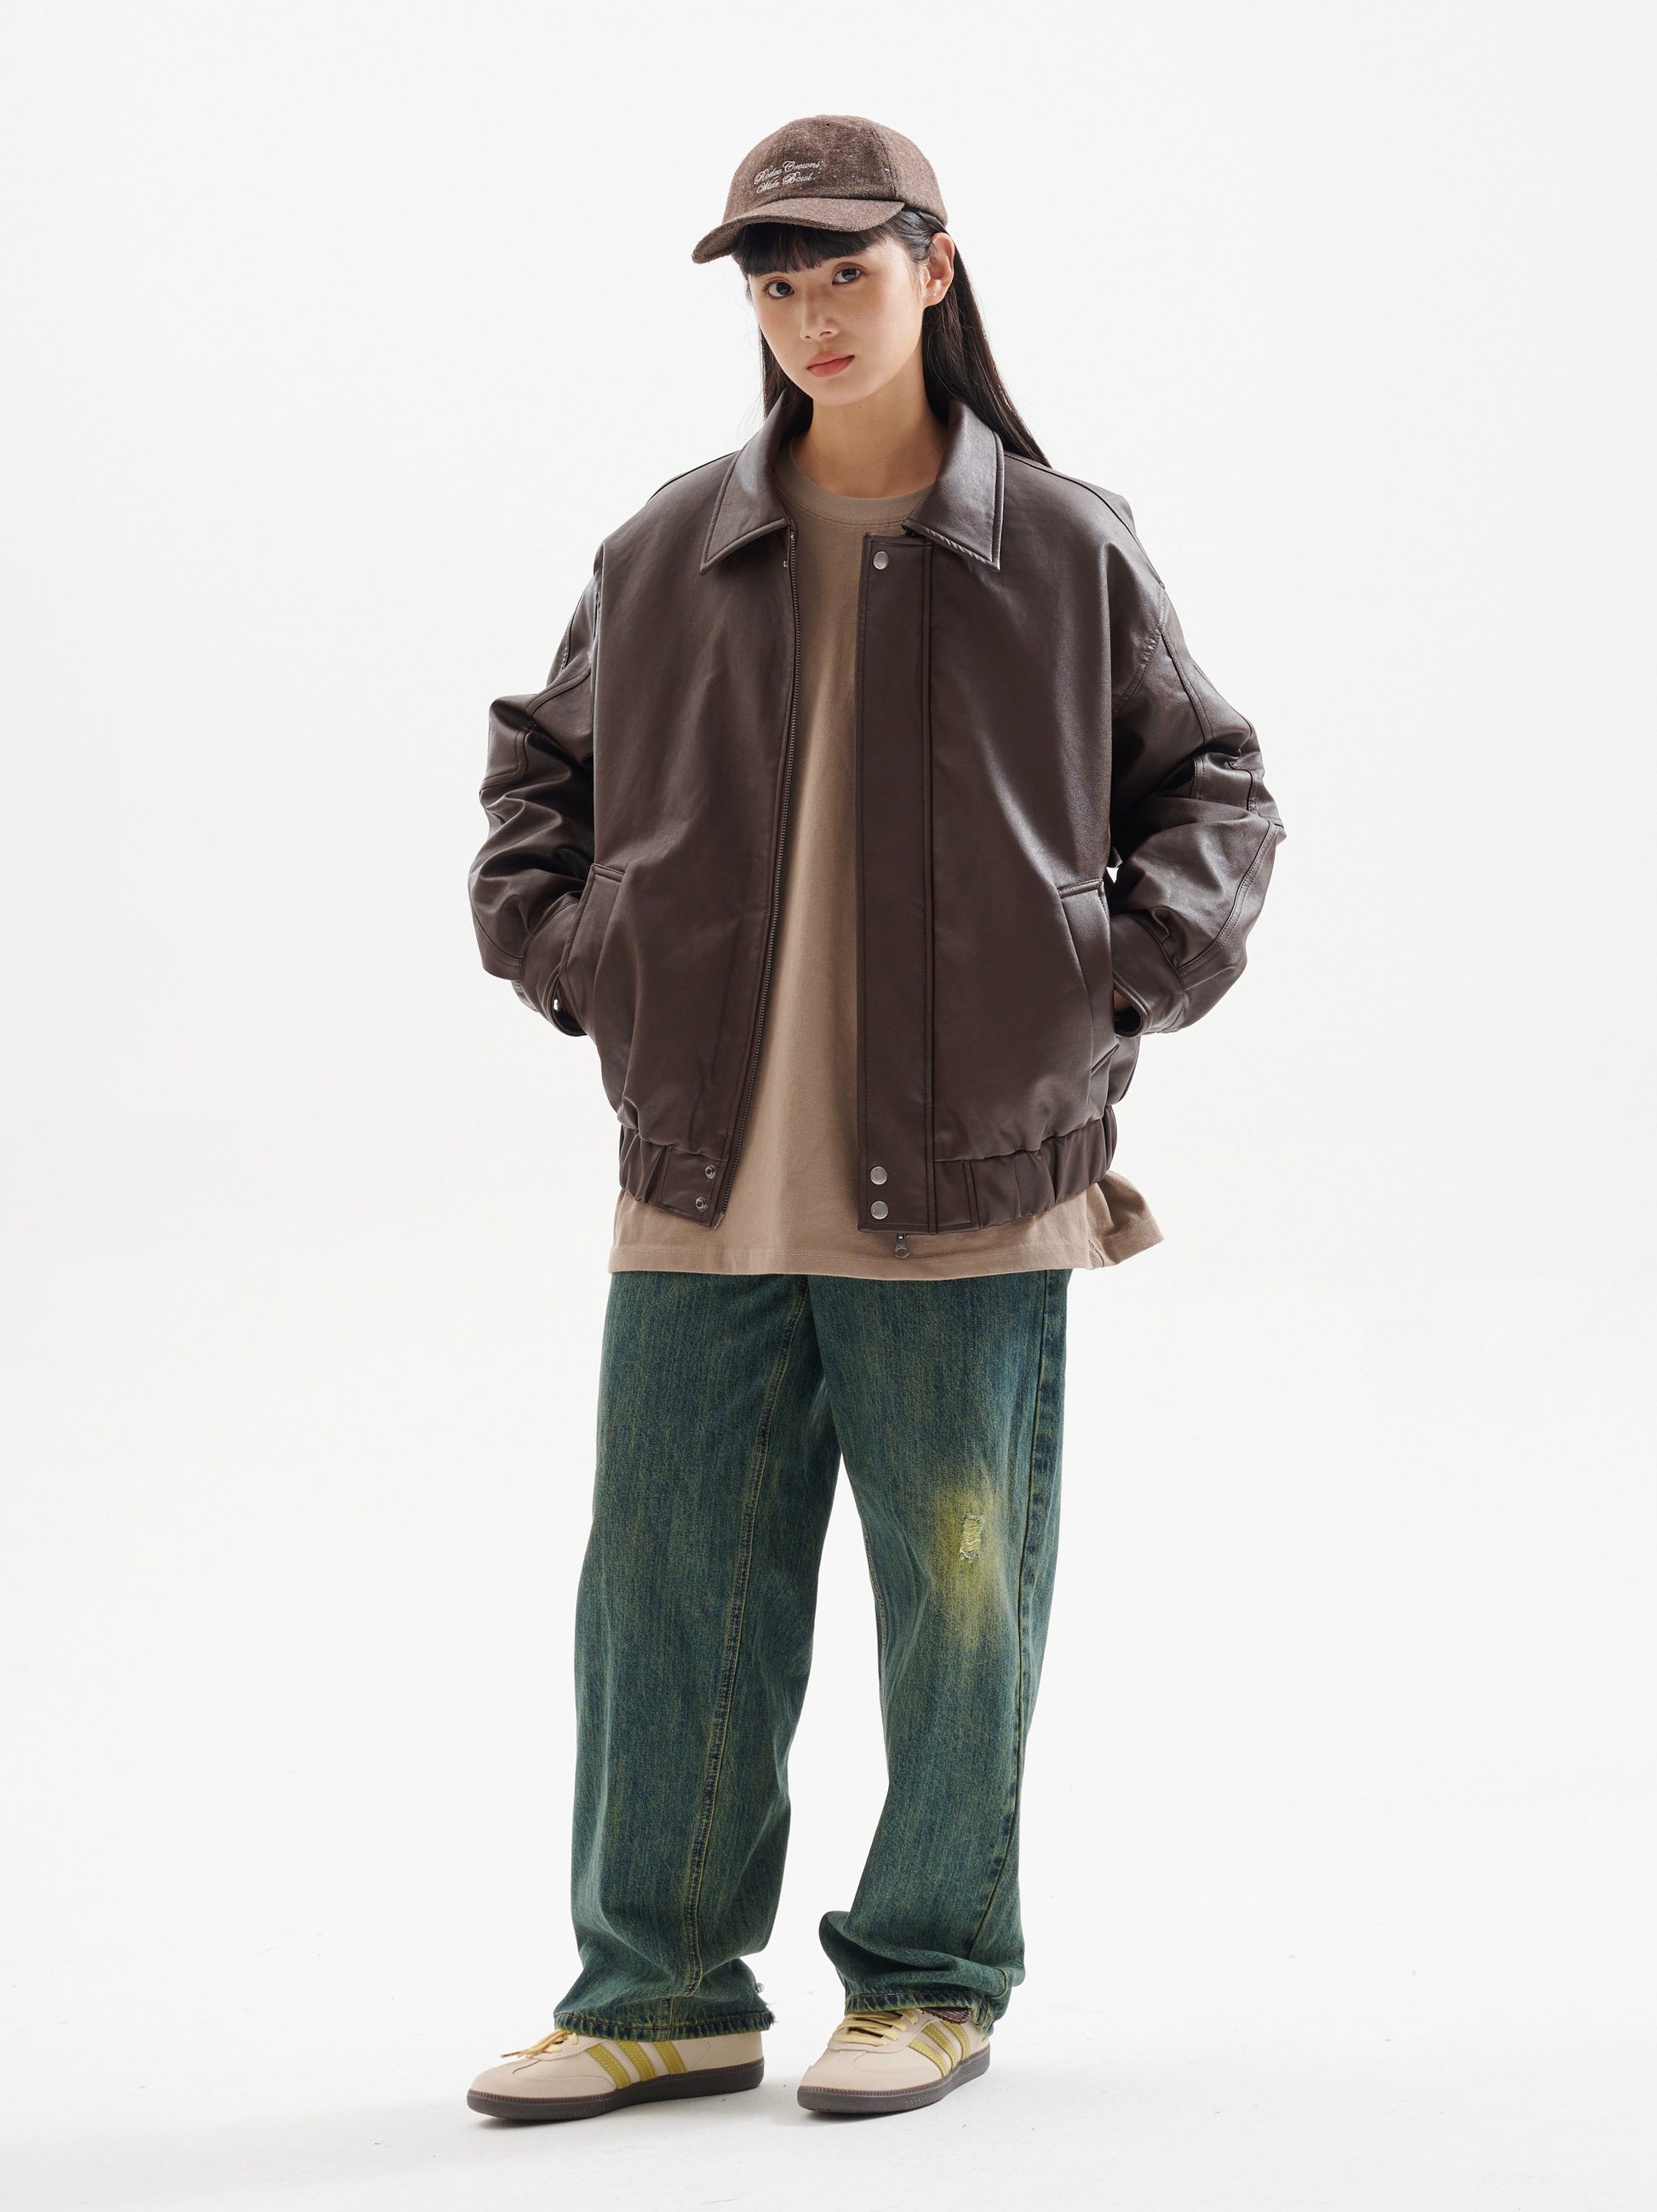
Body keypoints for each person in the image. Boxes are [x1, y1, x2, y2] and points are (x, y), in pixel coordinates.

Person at [463, 113, 1285, 2124]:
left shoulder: (1061, 544)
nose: (812, 313)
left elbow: (1214, 791)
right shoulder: (668, 547)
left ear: (935, 266)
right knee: (663, 1599)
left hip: (976, 1176)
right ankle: (662, 1990)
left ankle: (930, 1976)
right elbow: (536, 785)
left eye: (846, 269)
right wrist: (583, 959)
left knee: (960, 1601)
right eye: (776, 280)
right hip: (702, 1172)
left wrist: (1101, 982)